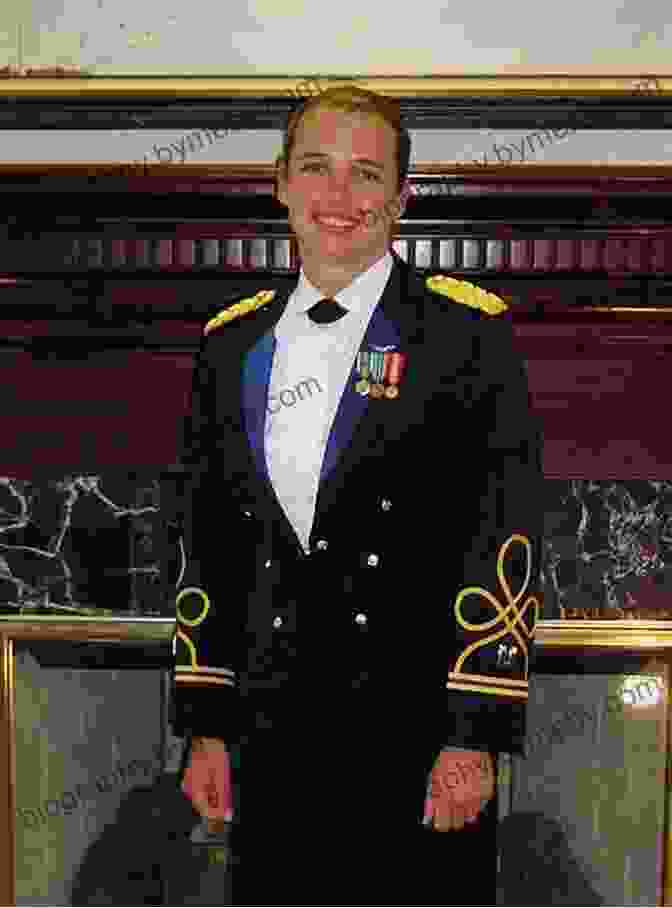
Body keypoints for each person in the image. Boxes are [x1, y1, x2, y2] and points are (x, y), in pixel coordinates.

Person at [170, 84, 544, 905]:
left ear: (402, 198)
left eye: (367, 175)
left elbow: (505, 532)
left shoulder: (467, 335)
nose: (341, 198)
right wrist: (207, 725)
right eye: (318, 169)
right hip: (272, 739)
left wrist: (472, 735)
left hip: (415, 741)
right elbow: (209, 545)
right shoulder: (229, 344)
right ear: (281, 183)